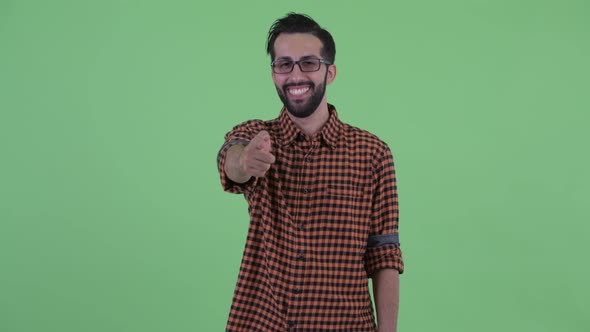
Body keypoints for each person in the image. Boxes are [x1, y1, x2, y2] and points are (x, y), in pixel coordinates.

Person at [217, 13, 404, 332]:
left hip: (346, 325)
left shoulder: (373, 153)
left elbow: (383, 254)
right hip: (264, 323)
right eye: (284, 64)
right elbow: (230, 159)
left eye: (308, 63)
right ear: (274, 73)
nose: (295, 74)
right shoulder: (259, 136)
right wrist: (245, 160)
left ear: (330, 72)